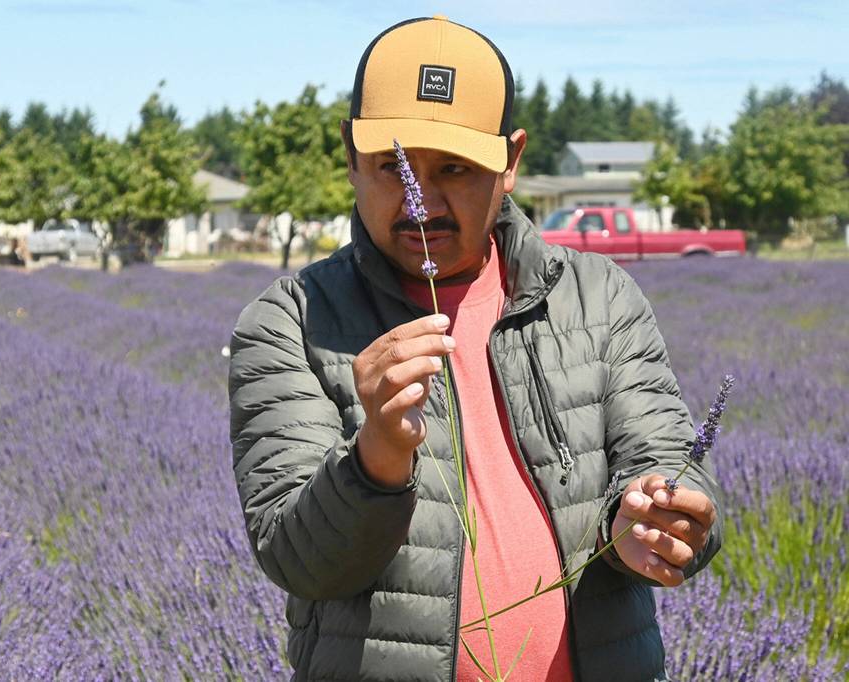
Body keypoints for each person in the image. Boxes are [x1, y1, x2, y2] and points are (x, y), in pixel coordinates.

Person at [229, 15, 722, 682]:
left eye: (455, 169)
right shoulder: (290, 322)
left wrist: (655, 521)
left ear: (511, 161)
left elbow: (663, 456)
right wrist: (376, 451)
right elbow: (299, 558)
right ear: (349, 157)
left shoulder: (599, 297)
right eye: (390, 167)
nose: (421, 202)